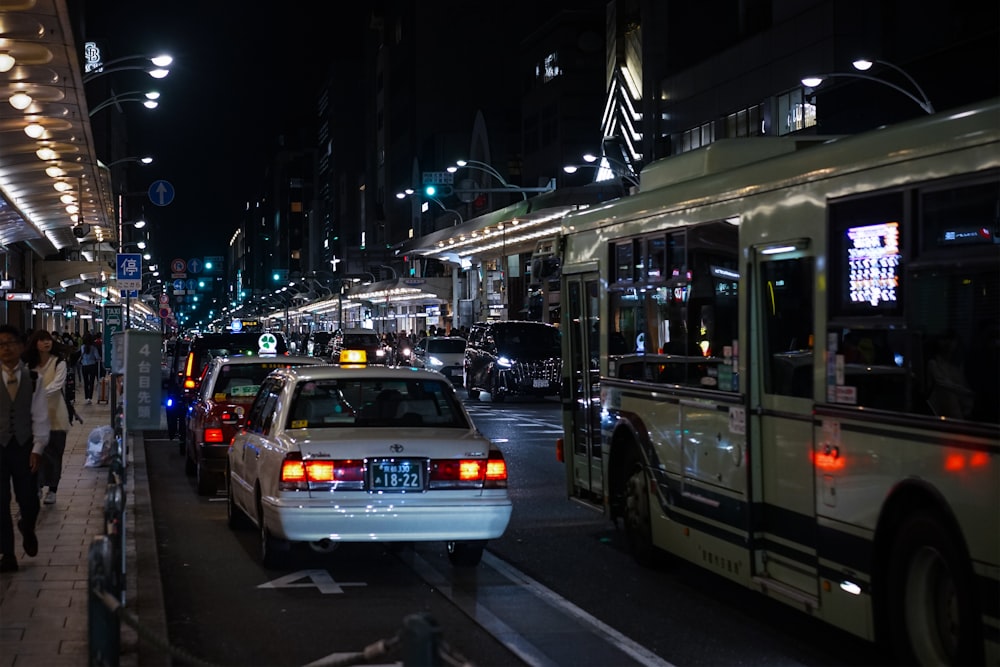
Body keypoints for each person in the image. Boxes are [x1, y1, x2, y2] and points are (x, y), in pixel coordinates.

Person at [0, 324, 51, 573]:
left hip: (24, 447)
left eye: (10, 343)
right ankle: (7, 553)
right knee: (0, 502)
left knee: (29, 500)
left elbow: (40, 415)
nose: (6, 349)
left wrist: (38, 447)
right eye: (1, 344)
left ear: (21, 347)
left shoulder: (34, 379)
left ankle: (27, 526)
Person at [24, 330, 71, 506]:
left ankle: (52, 490)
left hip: (56, 416)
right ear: (35, 343)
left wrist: (36, 394)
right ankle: (36, 486)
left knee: (54, 454)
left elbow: (57, 385)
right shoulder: (29, 364)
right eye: (42, 340)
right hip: (33, 417)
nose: (46, 343)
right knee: (35, 454)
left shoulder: (59, 362)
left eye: (48, 340)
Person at [79, 334, 101, 405]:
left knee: (86, 382)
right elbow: (97, 357)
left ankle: (86, 397)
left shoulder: (82, 347)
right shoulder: (93, 348)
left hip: (84, 366)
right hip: (92, 366)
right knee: (91, 382)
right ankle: (89, 398)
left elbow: (81, 355)